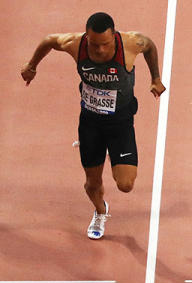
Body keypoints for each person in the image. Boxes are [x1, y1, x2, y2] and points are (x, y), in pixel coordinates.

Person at [20, 12, 166, 239]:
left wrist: (155, 78)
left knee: (126, 184)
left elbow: (149, 46)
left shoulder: (130, 43)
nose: (98, 50)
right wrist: (32, 66)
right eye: (94, 44)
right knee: (91, 183)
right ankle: (100, 211)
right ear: (86, 37)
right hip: (90, 123)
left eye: (104, 44)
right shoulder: (75, 44)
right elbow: (49, 40)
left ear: (114, 36)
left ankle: (112, 153)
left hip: (120, 123)